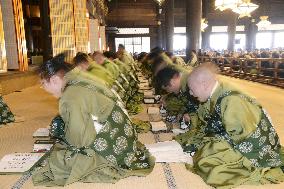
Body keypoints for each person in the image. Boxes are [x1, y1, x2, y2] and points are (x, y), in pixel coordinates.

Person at [32, 54, 154, 186]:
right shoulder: (82, 77)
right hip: (125, 137)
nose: (43, 88)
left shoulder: (71, 97)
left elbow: (80, 142)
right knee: (60, 126)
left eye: (43, 84)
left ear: (55, 79)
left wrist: (66, 147)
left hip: (113, 150)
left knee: (56, 164)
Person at [184, 63, 284, 188]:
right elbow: (207, 123)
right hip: (238, 136)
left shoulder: (232, 100)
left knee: (210, 163)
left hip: (255, 147)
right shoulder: (216, 92)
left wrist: (213, 144)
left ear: (204, 84)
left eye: (192, 89)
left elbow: (242, 136)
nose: (191, 93)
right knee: (206, 149)